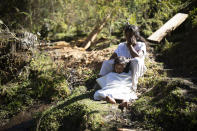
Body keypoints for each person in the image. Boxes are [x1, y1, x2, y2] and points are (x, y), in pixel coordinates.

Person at [99, 24, 147, 92]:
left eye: (130, 35)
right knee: (106, 63)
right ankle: (101, 83)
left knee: (137, 60)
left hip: (134, 67)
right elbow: (112, 58)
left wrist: (130, 46)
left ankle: (133, 87)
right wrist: (119, 62)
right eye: (126, 35)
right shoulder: (121, 45)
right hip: (122, 66)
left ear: (135, 35)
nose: (128, 37)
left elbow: (138, 57)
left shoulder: (141, 45)